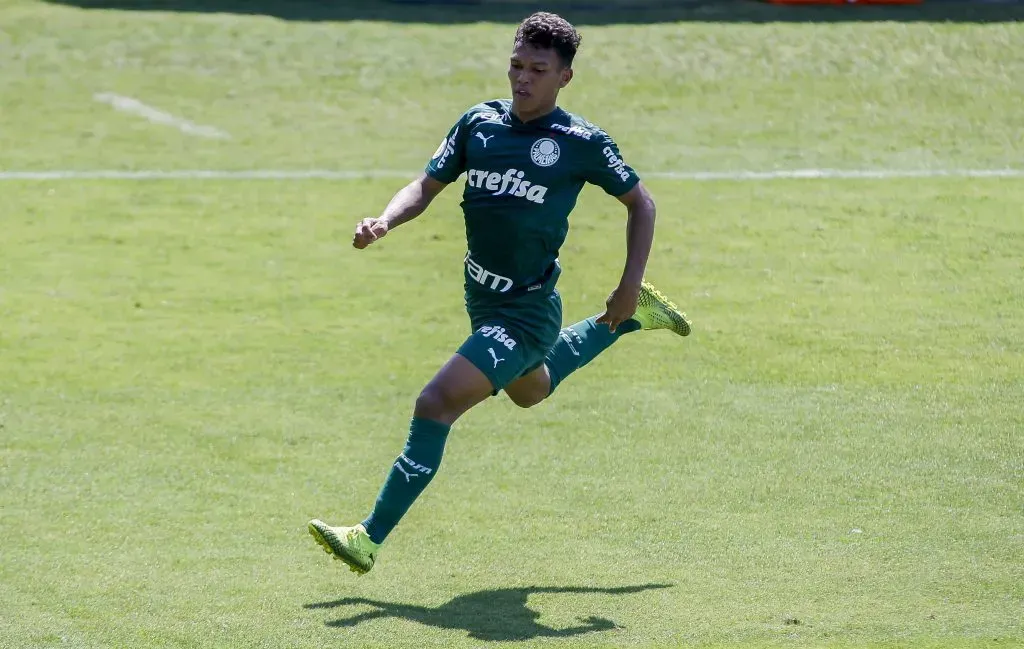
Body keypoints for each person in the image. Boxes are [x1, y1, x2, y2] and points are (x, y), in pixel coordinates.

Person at [309, 11, 690, 575]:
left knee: (434, 403)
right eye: (516, 65)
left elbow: (642, 203)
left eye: (538, 69)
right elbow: (425, 185)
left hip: (527, 311)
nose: (522, 78)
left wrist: (628, 281)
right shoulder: (478, 125)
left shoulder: (579, 142)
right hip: (481, 298)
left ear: (564, 77)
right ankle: (631, 322)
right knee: (530, 391)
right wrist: (386, 220)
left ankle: (369, 538)